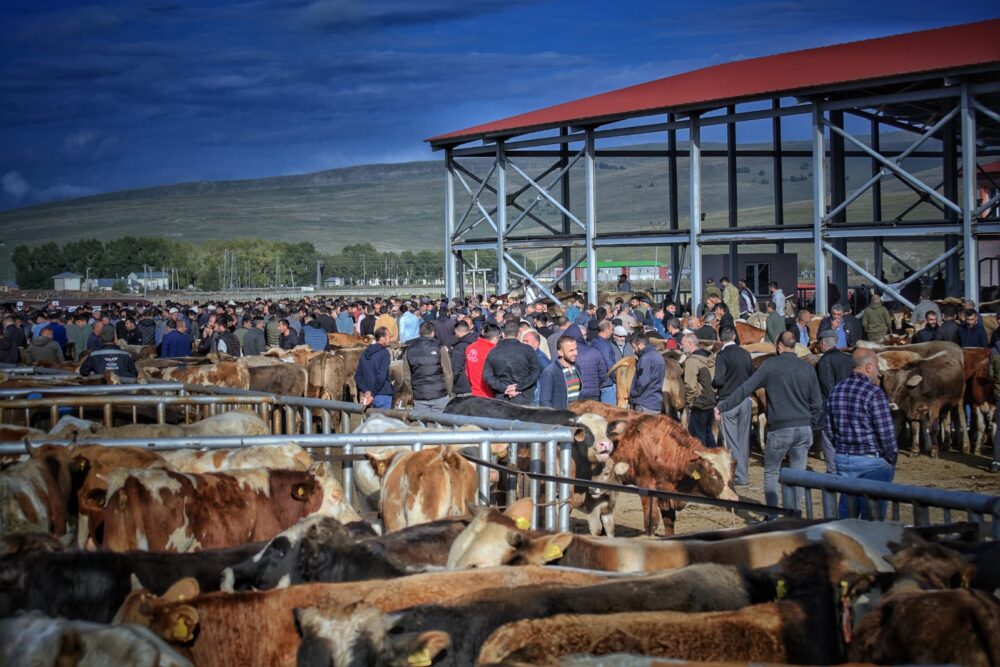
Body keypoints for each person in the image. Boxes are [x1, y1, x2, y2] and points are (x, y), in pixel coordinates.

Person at [716, 331, 823, 507]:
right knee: (799, 472)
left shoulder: (770, 366)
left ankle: (772, 512)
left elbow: (745, 389)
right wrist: (810, 424)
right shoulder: (807, 368)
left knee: (772, 472)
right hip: (803, 428)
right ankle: (794, 512)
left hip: (780, 428)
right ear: (794, 346)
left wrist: (722, 406)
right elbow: (817, 403)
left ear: (779, 346)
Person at [824, 348, 898, 518]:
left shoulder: (836, 390)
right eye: (877, 368)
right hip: (871, 462)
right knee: (871, 517)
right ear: (869, 367)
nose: (878, 373)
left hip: (844, 459)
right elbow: (886, 433)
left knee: (847, 514)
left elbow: (829, 429)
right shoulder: (874, 393)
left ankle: (844, 543)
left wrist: (842, 448)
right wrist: (890, 458)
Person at [713, 326, 752, 484]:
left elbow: (719, 380)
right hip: (744, 399)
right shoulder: (745, 353)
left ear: (720, 339)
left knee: (731, 440)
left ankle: (738, 476)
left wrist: (713, 383)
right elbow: (752, 374)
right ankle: (744, 473)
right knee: (743, 439)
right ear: (735, 336)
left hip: (728, 401)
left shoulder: (722, 355)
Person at [815, 330, 854, 473]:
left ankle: (832, 470)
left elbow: (827, 386)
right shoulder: (848, 359)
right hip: (849, 405)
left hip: (832, 407)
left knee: (828, 441)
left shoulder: (824, 360)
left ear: (824, 344)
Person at [483, 321, 542, 406]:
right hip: (524, 398)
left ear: (503, 334)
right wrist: (517, 387)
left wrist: (506, 388)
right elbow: (536, 372)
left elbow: (487, 377)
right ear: (518, 334)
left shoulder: (493, 352)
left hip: (502, 398)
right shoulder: (528, 350)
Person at [406, 322, 453, 412]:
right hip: (439, 394)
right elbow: (448, 373)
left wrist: (413, 392)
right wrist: (448, 391)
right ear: (433, 332)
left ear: (420, 333)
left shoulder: (409, 349)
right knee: (439, 424)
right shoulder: (440, 348)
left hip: (420, 394)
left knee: (421, 425)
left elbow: (407, 376)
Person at [681, 333, 716, 446]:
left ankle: (702, 462)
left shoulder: (692, 361)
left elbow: (690, 385)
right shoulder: (710, 357)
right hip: (711, 400)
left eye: (683, 344)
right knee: (708, 433)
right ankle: (714, 459)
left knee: (698, 438)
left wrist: (690, 403)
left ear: (690, 343)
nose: (682, 347)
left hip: (698, 403)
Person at [562, 324, 605, 402]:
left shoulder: (566, 353)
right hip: (593, 393)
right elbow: (602, 373)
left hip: (574, 393)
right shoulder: (594, 351)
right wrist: (596, 385)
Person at [355, 327, 394, 409]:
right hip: (383, 394)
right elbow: (381, 377)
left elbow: (358, 376)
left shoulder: (364, 353)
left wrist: (366, 391)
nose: (390, 340)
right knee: (384, 421)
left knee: (370, 421)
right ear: (382, 338)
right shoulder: (384, 353)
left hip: (367, 396)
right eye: (389, 337)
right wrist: (372, 394)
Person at [538, 336, 581, 409]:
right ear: (560, 353)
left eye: (576, 349)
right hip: (560, 417)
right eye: (571, 350)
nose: (576, 353)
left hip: (577, 416)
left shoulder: (576, 367)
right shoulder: (550, 372)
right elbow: (545, 401)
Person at [630, 333, 665, 414]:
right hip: (656, 403)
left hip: (644, 404)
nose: (633, 350)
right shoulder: (659, 356)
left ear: (641, 345)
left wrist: (633, 393)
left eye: (634, 347)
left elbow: (643, 382)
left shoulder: (645, 359)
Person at [466, 323, 499, 398]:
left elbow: (467, 372)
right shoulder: (493, 351)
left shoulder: (470, 348)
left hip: (473, 392)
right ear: (495, 337)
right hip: (489, 395)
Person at [590, 321, 617, 404]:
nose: (612, 332)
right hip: (608, 383)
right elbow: (609, 364)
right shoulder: (604, 345)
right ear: (607, 330)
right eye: (612, 330)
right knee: (609, 412)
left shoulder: (594, 341)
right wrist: (615, 379)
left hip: (599, 381)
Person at [449, 320, 477, 397]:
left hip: (462, 385)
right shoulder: (476, 341)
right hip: (475, 382)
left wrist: (449, 383)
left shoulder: (460, 347)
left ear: (457, 331)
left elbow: (456, 367)